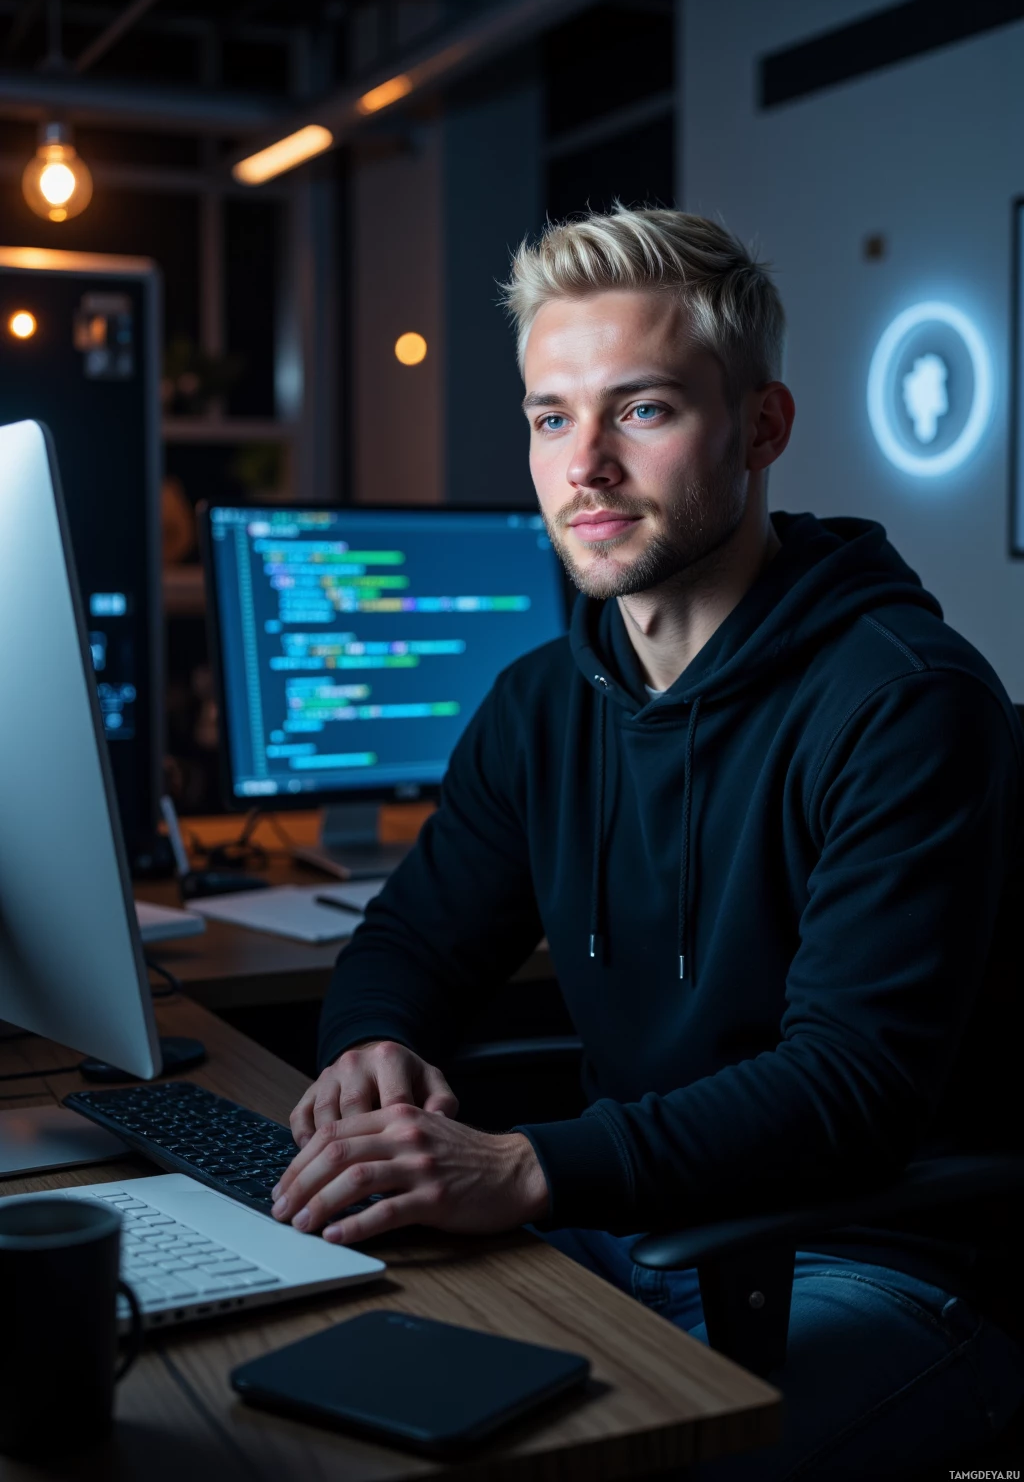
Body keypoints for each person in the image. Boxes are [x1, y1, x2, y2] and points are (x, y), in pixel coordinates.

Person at [270, 207, 1024, 1477]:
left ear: (762, 428)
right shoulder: (538, 704)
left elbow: (849, 1088)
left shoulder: (905, 699)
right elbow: (413, 935)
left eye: (644, 410)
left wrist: (521, 1164)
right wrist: (371, 1041)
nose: (585, 468)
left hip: (873, 1258)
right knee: (302, 1393)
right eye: (551, 417)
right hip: (632, 1230)